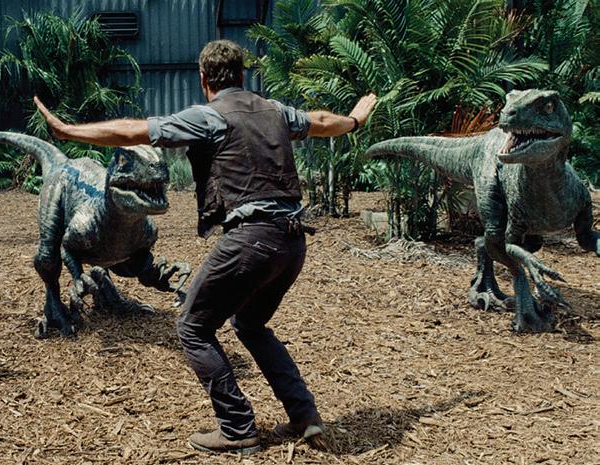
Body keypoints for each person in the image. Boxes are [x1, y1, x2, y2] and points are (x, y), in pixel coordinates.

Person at [35, 39, 377, 455]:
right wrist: (355, 120)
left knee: (192, 327)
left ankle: (237, 427)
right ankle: (304, 416)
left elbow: (132, 131)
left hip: (251, 239)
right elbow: (321, 120)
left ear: (204, 80)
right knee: (250, 324)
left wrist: (68, 131)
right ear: (242, 76)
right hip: (292, 242)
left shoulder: (209, 116)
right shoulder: (273, 109)